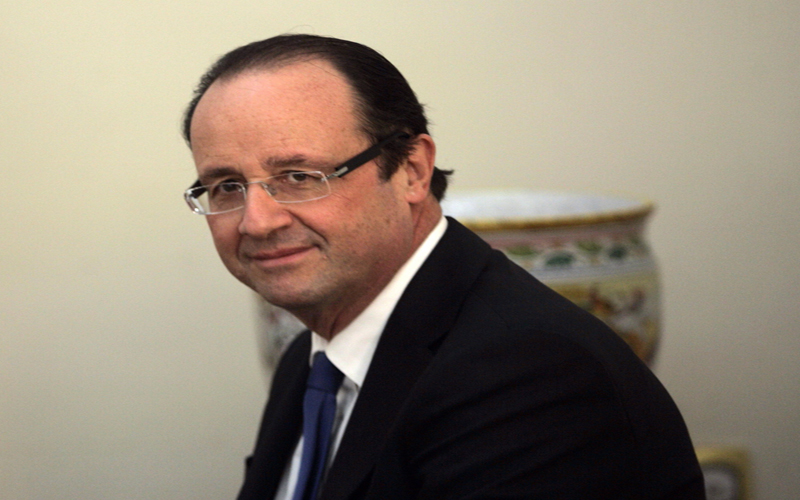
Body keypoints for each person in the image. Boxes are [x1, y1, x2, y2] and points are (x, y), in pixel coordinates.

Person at [181, 34, 705, 500]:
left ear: (412, 170)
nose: (257, 221)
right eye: (226, 186)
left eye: (299, 176)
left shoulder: (530, 372)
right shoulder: (310, 361)